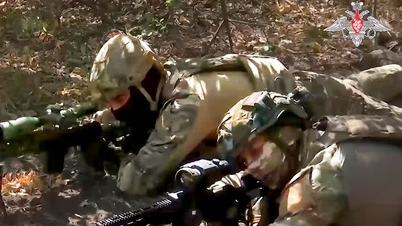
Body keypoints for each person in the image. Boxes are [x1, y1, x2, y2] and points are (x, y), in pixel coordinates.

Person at [88, 32, 402, 197]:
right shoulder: (167, 78)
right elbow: (126, 116)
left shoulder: (186, 104)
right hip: (286, 88)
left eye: (120, 98)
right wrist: (99, 123)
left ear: (143, 83)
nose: (116, 108)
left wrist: (113, 157)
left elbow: (137, 181)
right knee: (359, 87)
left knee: (387, 119)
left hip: (305, 104)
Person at [211, 87, 402, 226]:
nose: (252, 167)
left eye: (256, 149)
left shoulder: (322, 176)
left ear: (286, 131)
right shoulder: (329, 134)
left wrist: (257, 222)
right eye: (244, 161)